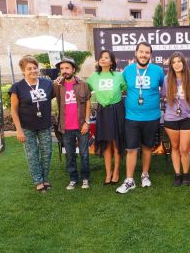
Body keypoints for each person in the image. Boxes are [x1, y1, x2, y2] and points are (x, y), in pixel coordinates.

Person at [116, 42, 164, 194]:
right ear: (135, 53)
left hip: (152, 117)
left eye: (147, 52)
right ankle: (130, 180)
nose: (144, 55)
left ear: (151, 55)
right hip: (132, 117)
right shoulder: (127, 71)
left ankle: (144, 175)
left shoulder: (158, 71)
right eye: (141, 52)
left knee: (147, 148)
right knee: (131, 149)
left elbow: (165, 87)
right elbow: (119, 87)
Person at [9, 55, 54, 192]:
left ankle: (45, 179)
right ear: (23, 71)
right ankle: (38, 181)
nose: (33, 70)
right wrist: (19, 130)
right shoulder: (17, 87)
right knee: (32, 154)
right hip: (27, 126)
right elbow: (13, 111)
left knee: (47, 152)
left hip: (44, 125)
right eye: (29, 68)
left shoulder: (47, 84)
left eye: (35, 67)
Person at [87, 50, 127, 185]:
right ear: (98, 61)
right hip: (102, 112)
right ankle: (108, 172)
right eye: (101, 57)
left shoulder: (118, 76)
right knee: (106, 144)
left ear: (112, 62)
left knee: (116, 142)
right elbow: (82, 89)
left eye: (106, 57)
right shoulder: (93, 77)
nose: (103, 59)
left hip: (117, 111)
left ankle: (116, 171)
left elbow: (125, 88)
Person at [162, 52, 190, 186]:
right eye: (174, 62)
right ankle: (177, 174)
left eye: (179, 61)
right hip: (171, 118)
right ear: (171, 65)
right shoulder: (167, 79)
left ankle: (186, 174)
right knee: (175, 147)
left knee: (184, 148)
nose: (177, 64)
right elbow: (165, 96)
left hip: (188, 117)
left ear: (184, 63)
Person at [54, 57, 91, 190]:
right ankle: (73, 179)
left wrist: (87, 122)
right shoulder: (57, 85)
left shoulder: (83, 84)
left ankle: (85, 178)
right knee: (70, 155)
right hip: (65, 127)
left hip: (81, 126)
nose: (64, 71)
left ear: (73, 69)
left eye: (67, 68)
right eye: (62, 68)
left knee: (84, 154)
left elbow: (87, 103)